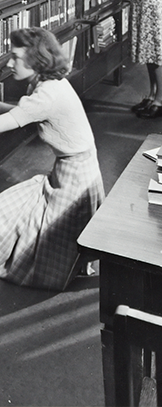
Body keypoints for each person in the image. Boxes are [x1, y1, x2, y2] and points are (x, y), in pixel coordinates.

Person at [0, 28, 105, 291]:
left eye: (15, 57)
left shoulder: (46, 94)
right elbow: (23, 112)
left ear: (36, 59)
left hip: (74, 178)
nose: (9, 64)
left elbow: (14, 119)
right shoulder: (48, 83)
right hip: (75, 169)